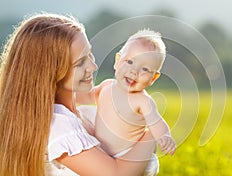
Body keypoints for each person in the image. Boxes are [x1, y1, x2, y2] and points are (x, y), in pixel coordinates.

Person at [0, 13, 156, 176]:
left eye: (89, 53)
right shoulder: (59, 126)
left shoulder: (82, 115)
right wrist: (153, 132)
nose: (93, 66)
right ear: (50, 72)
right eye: (80, 63)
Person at [93, 30, 176, 173]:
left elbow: (156, 122)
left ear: (153, 78)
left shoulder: (142, 101)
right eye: (130, 61)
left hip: (131, 158)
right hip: (104, 155)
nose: (134, 71)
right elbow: (85, 96)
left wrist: (164, 137)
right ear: (117, 61)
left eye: (144, 69)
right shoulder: (106, 86)